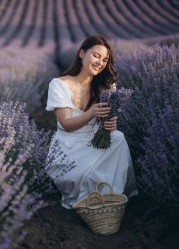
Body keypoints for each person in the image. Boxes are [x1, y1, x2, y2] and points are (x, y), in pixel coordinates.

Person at [45, 35, 138, 209]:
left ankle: (108, 199)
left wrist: (111, 125)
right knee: (87, 176)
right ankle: (94, 200)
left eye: (105, 60)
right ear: (82, 53)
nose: (100, 62)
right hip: (69, 145)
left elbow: (108, 125)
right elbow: (66, 124)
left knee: (118, 137)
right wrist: (91, 113)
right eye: (96, 56)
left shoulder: (106, 86)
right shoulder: (59, 84)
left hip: (95, 141)